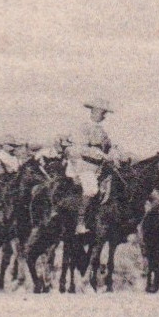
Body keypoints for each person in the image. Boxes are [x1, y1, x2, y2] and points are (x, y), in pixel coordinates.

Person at [68, 98, 114, 233]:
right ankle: (80, 222)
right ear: (93, 112)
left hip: (100, 167)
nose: (104, 116)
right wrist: (101, 155)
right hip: (84, 165)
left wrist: (115, 154)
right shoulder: (83, 128)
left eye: (105, 113)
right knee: (91, 189)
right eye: (102, 113)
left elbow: (109, 147)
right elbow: (81, 148)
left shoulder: (102, 131)